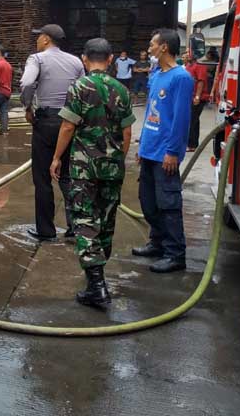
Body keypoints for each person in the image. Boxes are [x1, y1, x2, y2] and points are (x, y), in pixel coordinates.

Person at [51, 38, 135, 308]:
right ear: (110, 59)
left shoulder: (79, 87)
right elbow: (127, 132)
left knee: (85, 220)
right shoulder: (122, 89)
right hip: (112, 167)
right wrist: (117, 159)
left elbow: (67, 127)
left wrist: (56, 158)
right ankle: (97, 275)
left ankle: (96, 285)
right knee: (106, 219)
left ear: (85, 59)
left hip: (84, 167)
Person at [133, 29, 194, 273]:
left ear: (164, 47)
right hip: (149, 149)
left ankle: (175, 253)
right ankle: (156, 243)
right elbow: (150, 112)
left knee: (168, 204)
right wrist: (142, 144)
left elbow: (180, 119)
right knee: (148, 202)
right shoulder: (157, 74)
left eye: (152, 44)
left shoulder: (181, 78)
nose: (150, 49)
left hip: (165, 153)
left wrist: (172, 151)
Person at [20, 24, 85, 241]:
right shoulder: (76, 61)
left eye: (39, 37)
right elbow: (83, 89)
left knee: (42, 179)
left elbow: (27, 82)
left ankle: (46, 230)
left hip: (46, 121)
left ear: (46, 39)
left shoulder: (37, 59)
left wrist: (27, 107)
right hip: (70, 121)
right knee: (67, 176)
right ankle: (75, 227)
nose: (37, 41)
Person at [184, 53, 210, 151]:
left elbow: (201, 81)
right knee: (193, 120)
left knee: (192, 120)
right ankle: (192, 143)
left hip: (198, 97)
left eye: (189, 54)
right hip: (189, 97)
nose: (187, 55)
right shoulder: (188, 66)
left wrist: (197, 96)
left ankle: (192, 145)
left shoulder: (200, 66)